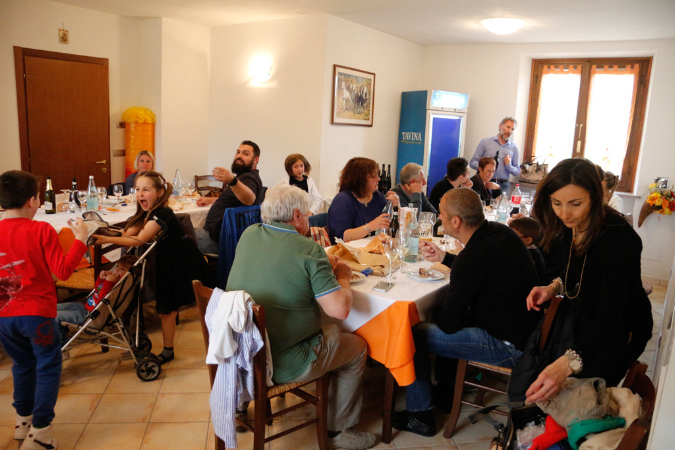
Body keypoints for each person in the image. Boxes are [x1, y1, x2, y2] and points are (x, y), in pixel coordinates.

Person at [227, 185, 377, 450]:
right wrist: (342, 276)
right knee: (357, 347)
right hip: (282, 361)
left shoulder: (250, 234)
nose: (308, 218)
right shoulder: (308, 249)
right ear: (297, 216)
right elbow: (339, 310)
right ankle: (339, 431)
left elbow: (279, 267)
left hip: (242, 351)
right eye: (307, 214)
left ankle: (241, 402)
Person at [391, 188, 541, 437]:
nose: (439, 218)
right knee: (451, 314)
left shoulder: (471, 257)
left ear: (456, 221)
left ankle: (420, 415)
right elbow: (480, 268)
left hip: (507, 346)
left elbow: (448, 324)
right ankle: (446, 392)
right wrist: (446, 258)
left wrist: (442, 308)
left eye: (441, 214)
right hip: (527, 332)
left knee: (410, 333)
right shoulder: (500, 232)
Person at [523, 158, 652, 404]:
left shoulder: (620, 240)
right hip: (590, 316)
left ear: (595, 196)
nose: (564, 213)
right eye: (556, 203)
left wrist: (567, 363)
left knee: (587, 396)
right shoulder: (568, 225)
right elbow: (577, 272)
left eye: (575, 203)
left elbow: (610, 320)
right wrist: (553, 287)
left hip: (623, 328)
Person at [0, 170, 89, 449]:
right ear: (33, 201)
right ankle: (39, 433)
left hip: (5, 316)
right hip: (36, 314)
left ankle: (23, 423)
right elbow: (62, 271)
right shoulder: (41, 229)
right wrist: (81, 239)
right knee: (48, 367)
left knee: (22, 365)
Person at [93, 171, 210, 365]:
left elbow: (139, 240)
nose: (140, 194)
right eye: (137, 189)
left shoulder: (162, 213)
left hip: (183, 259)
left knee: (201, 305)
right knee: (167, 309)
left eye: (146, 189)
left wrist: (105, 239)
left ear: (160, 192)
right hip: (167, 261)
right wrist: (104, 230)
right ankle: (168, 350)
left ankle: (218, 345)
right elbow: (128, 233)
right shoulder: (146, 213)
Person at [56, 254, 138, 350]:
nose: (116, 270)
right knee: (52, 309)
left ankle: (62, 347)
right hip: (84, 307)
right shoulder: (113, 282)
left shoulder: (118, 287)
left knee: (55, 318)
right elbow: (98, 289)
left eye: (122, 269)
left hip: (89, 316)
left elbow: (104, 299)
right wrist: (101, 279)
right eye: (117, 266)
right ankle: (61, 332)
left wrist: (108, 282)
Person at [195, 140, 264, 253]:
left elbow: (249, 199)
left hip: (215, 239)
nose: (239, 156)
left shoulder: (249, 178)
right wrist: (211, 200)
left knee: (175, 238)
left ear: (256, 159)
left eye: (245, 154)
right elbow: (236, 200)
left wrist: (232, 181)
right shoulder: (244, 178)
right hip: (217, 235)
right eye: (238, 152)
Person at [327, 157, 398, 243]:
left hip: (370, 247)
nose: (378, 179)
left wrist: (396, 207)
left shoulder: (377, 196)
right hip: (347, 250)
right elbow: (341, 237)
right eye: (374, 176)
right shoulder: (342, 200)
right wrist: (370, 227)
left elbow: (390, 226)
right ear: (360, 180)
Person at [470, 117, 520, 194]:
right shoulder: (485, 142)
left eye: (512, 129)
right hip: (485, 183)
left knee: (502, 202)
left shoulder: (514, 147)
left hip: (503, 185)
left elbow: (517, 171)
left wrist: (508, 166)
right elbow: (473, 162)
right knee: (484, 201)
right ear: (500, 126)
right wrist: (486, 169)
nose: (509, 131)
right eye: (508, 127)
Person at [509, 217, 545, 284]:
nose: (508, 238)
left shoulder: (528, 256)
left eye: (513, 236)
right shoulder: (528, 251)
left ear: (528, 240)